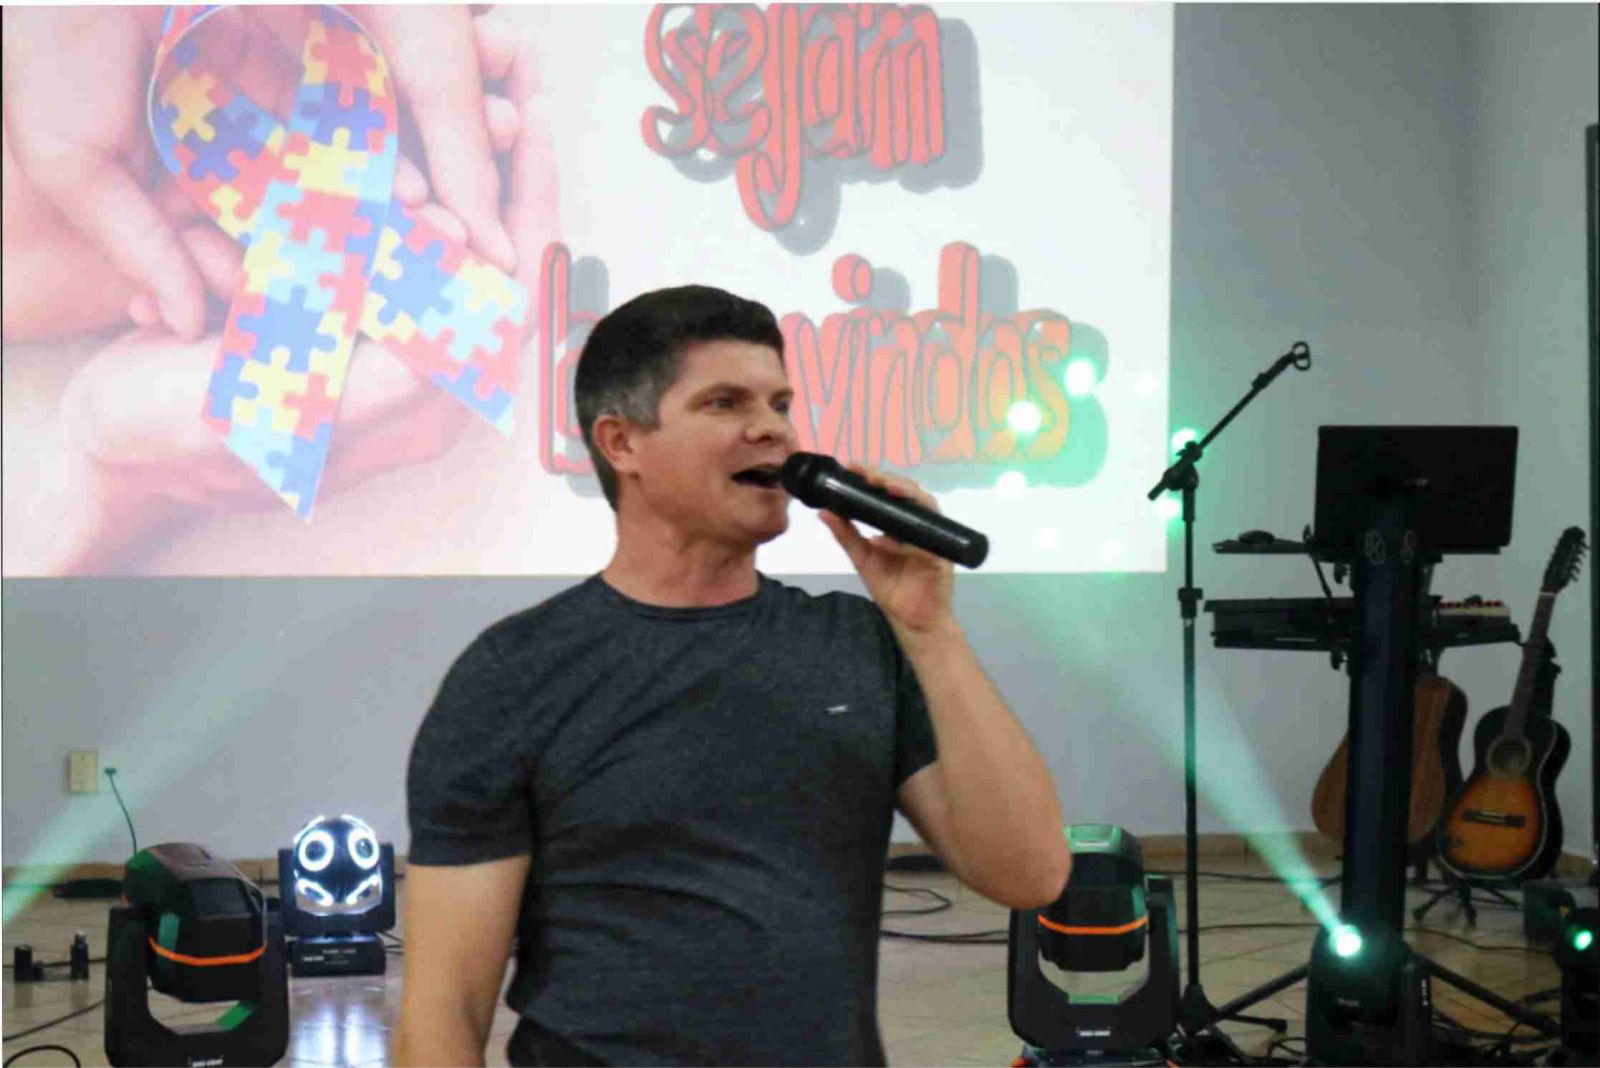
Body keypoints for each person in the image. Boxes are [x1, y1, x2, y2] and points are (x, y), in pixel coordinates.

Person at [396, 285, 1071, 1067]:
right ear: (622, 443)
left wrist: (932, 631)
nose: (772, 427)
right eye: (725, 403)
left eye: (780, 403)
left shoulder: (856, 643)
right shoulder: (516, 674)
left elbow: (1030, 873)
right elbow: (445, 1007)